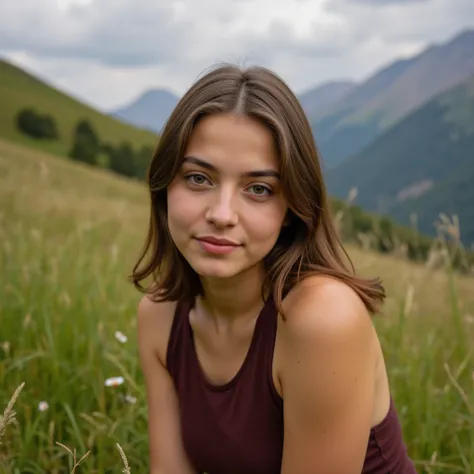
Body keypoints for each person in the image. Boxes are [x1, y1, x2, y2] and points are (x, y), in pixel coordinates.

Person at [131, 63, 418, 474]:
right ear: (164, 188)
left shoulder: (322, 319)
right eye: (198, 178)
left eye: (259, 189)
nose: (222, 214)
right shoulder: (159, 317)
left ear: (290, 209)